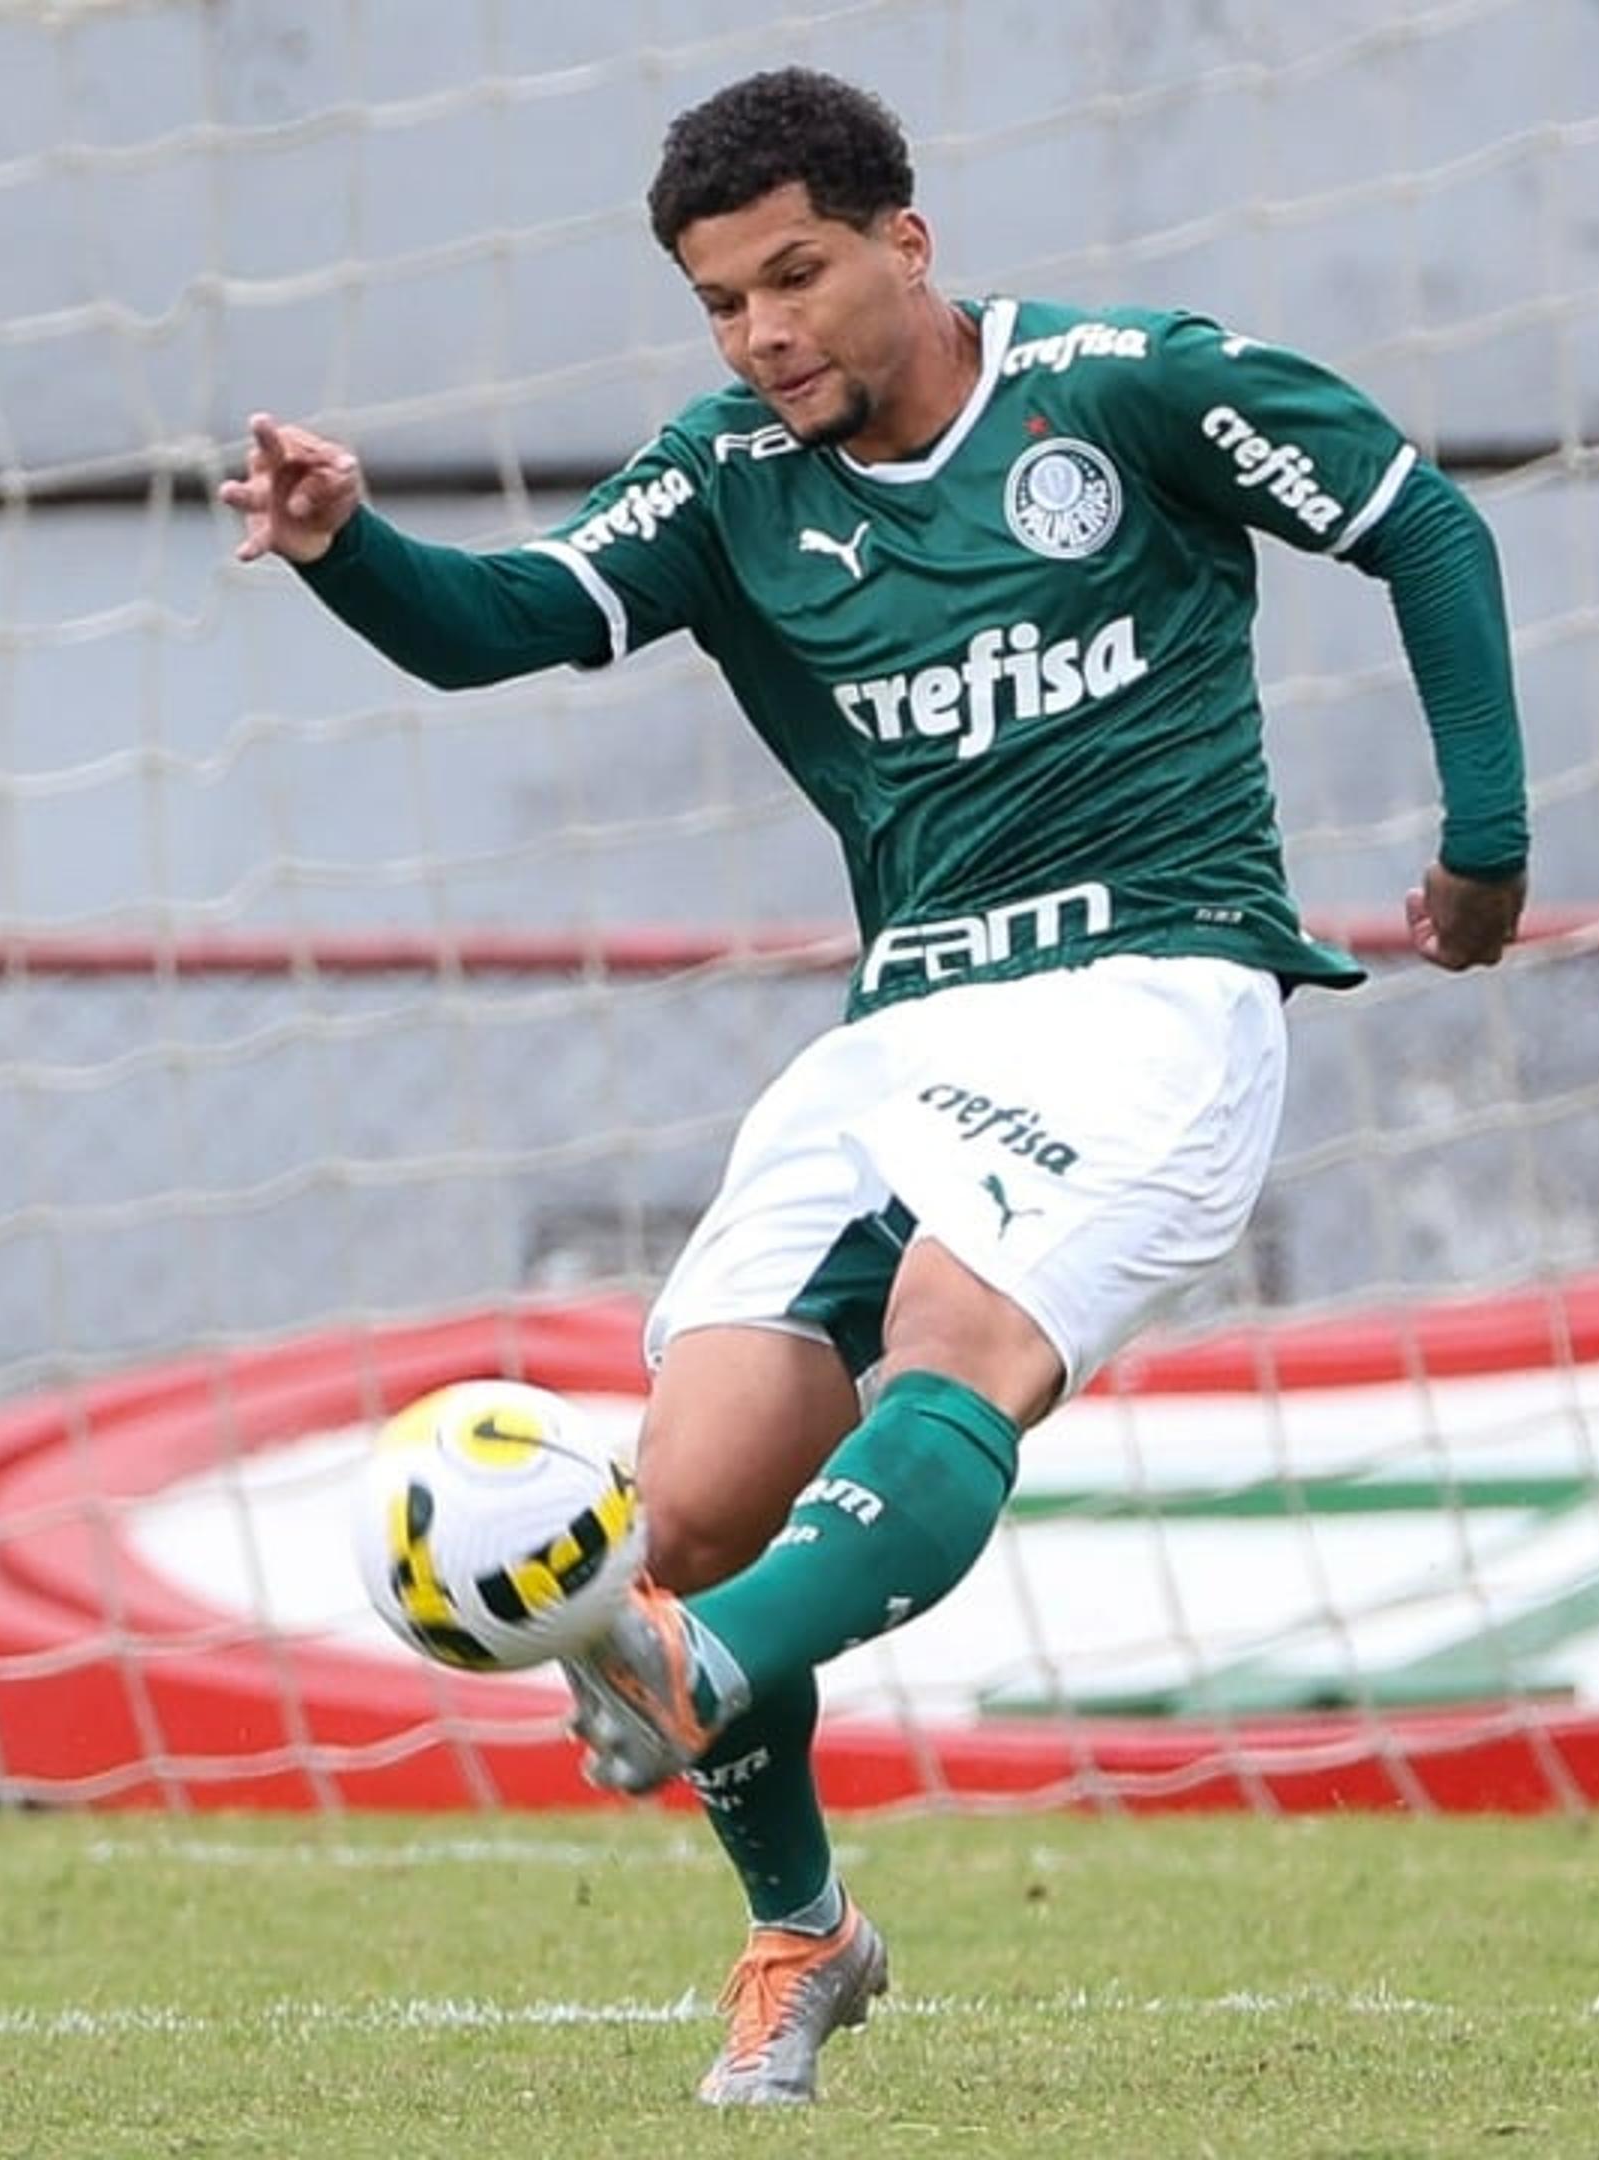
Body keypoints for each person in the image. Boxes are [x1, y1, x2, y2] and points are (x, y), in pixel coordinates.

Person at [224, 67, 1528, 2105]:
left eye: (800, 275)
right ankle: (804, 1928)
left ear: (907, 244)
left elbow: (1417, 520)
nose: (766, 333)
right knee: (692, 1505)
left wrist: (1492, 838)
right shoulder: (731, 473)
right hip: (906, 1020)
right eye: (725, 301)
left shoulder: (1130, 389)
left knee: (948, 1340)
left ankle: (716, 1677)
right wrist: (342, 546)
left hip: (1156, 983)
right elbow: (512, 625)